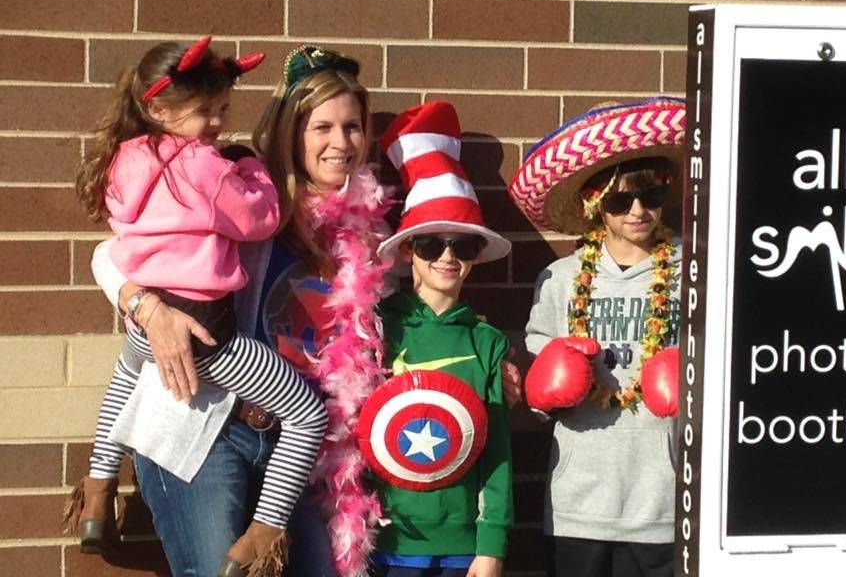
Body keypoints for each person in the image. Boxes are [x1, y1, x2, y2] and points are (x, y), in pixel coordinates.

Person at [86, 45, 392, 577]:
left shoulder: (367, 234)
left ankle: (97, 479)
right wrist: (146, 306)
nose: (340, 143)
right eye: (322, 127)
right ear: (290, 129)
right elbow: (109, 254)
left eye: (353, 127)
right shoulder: (241, 193)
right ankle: (98, 479)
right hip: (200, 426)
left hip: (291, 456)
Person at [508, 98, 685, 577]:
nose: (637, 211)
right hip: (578, 501)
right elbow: (536, 371)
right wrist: (548, 384)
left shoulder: (692, 273)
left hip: (661, 502)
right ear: (595, 204)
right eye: (619, 200)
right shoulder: (561, 277)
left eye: (650, 196)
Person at [363, 101, 514, 577]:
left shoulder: (486, 342)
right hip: (388, 542)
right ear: (408, 251)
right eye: (431, 244)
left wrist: (491, 546)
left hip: (463, 547)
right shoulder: (376, 328)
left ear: (474, 256)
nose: (447, 257)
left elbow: (498, 452)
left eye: (462, 245)